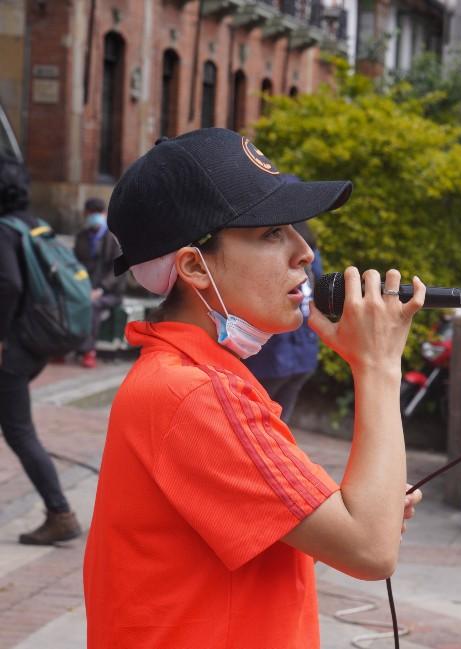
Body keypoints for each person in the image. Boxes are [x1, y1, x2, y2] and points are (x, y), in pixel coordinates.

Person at [83, 128, 424, 648]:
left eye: (294, 230)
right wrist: (377, 366)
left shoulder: (192, 375)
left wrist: (361, 505)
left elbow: (341, 524)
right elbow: (370, 550)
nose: (304, 252)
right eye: (270, 234)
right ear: (195, 266)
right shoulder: (195, 394)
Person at [0, 154, 83, 545]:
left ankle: (60, 512)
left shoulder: (4, 230)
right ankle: (58, 511)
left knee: (19, 431)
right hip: (32, 344)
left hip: (10, 351)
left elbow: (10, 285)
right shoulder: (35, 225)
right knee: (17, 428)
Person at [243, 211, 322, 424]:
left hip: (274, 352)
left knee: (255, 422)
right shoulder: (308, 248)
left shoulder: (278, 245)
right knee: (278, 422)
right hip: (304, 349)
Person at [73, 197, 124, 368]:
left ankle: (89, 351)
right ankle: (63, 346)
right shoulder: (81, 237)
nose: (93, 217)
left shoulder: (113, 239)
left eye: (97, 213)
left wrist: (101, 289)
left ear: (104, 214)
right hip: (84, 287)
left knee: (93, 305)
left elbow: (118, 271)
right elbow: (74, 264)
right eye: (90, 213)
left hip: (109, 293)